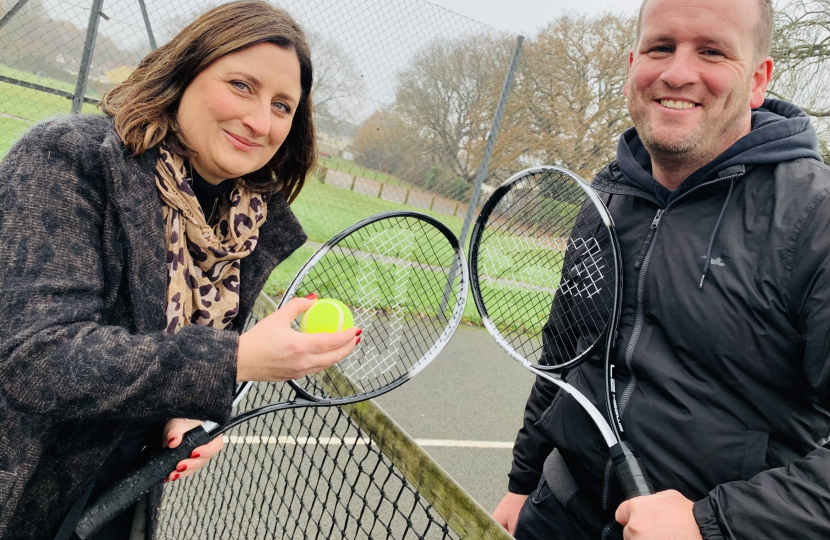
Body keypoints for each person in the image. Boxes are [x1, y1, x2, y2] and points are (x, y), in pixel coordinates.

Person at [0, 2, 361, 538]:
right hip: (23, 486)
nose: (261, 121)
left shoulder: (244, 224)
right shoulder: (69, 158)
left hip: (119, 499)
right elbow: (39, 358)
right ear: (185, 72)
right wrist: (233, 360)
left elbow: (174, 358)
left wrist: (188, 412)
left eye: (283, 105)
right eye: (241, 85)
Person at [493, 0, 830, 538]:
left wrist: (710, 523)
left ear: (759, 78)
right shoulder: (606, 194)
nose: (677, 72)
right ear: (633, 64)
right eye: (660, 48)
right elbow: (563, 354)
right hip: (556, 512)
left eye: (712, 51)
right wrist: (522, 480)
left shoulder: (815, 220)